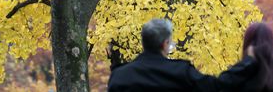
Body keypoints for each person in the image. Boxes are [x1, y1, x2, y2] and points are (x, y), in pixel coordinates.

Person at [107, 18, 258, 92]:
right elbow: (218, 85)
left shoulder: (120, 76)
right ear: (165, 43)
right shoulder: (180, 72)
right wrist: (248, 61)